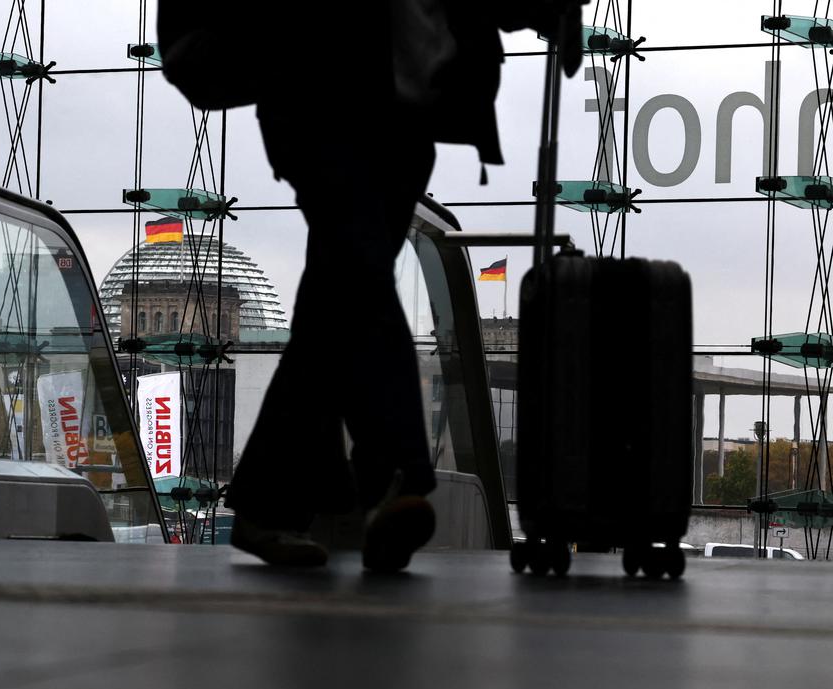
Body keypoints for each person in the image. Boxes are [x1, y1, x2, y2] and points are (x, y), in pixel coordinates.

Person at [162, 1, 568, 569]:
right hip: (324, 100)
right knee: (358, 276)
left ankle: (284, 500)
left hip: (400, 113)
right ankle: (391, 476)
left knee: (339, 297)